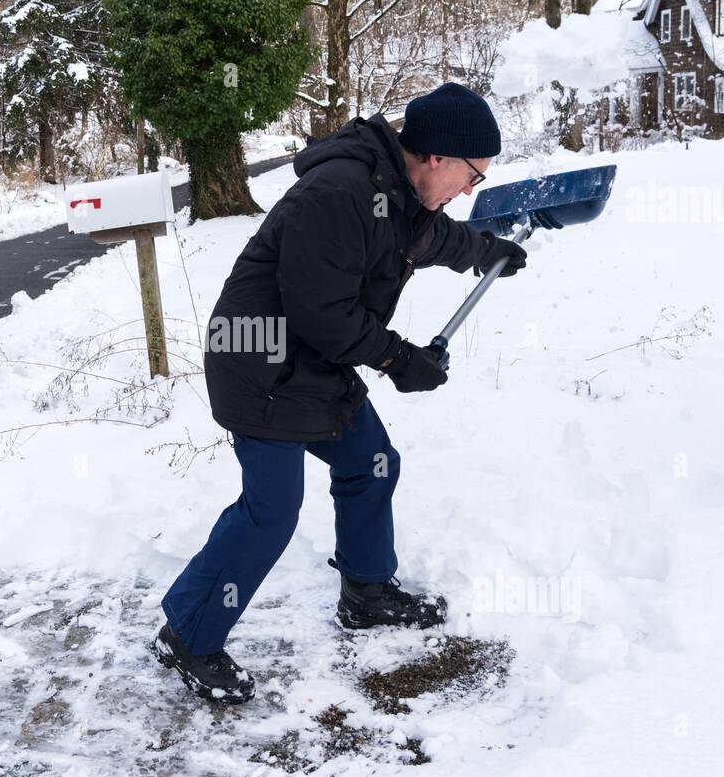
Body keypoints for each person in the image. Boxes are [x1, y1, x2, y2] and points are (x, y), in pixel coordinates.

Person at [152, 83, 528, 703]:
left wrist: (491, 251)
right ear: (436, 156)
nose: (468, 192)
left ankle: (367, 590)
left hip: (312, 363)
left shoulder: (399, 195)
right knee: (271, 511)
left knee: (371, 464)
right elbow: (320, 310)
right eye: (471, 177)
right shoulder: (341, 192)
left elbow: (433, 239)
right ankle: (190, 632)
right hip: (260, 365)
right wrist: (399, 359)